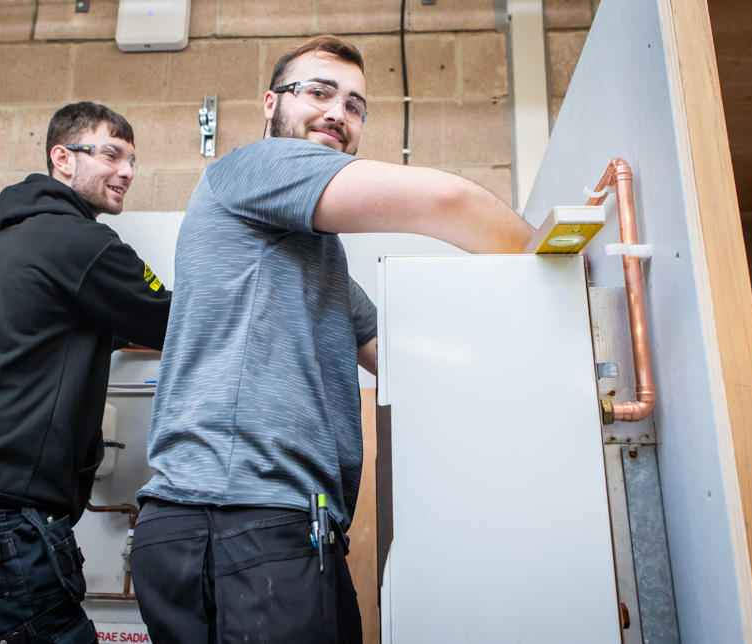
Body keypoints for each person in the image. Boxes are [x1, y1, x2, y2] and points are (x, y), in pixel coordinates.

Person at [129, 35, 535, 643]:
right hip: (242, 520)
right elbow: (447, 202)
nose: (337, 114)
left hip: (255, 526)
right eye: (318, 92)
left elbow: (397, 356)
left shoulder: (312, 257)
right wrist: (550, 266)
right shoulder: (252, 167)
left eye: (355, 105)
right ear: (271, 104)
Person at [0, 101, 171, 644]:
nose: (127, 173)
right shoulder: (82, 243)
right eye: (112, 155)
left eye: (133, 161)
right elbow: (173, 320)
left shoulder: (4, 239)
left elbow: (82, 328)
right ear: (62, 158)